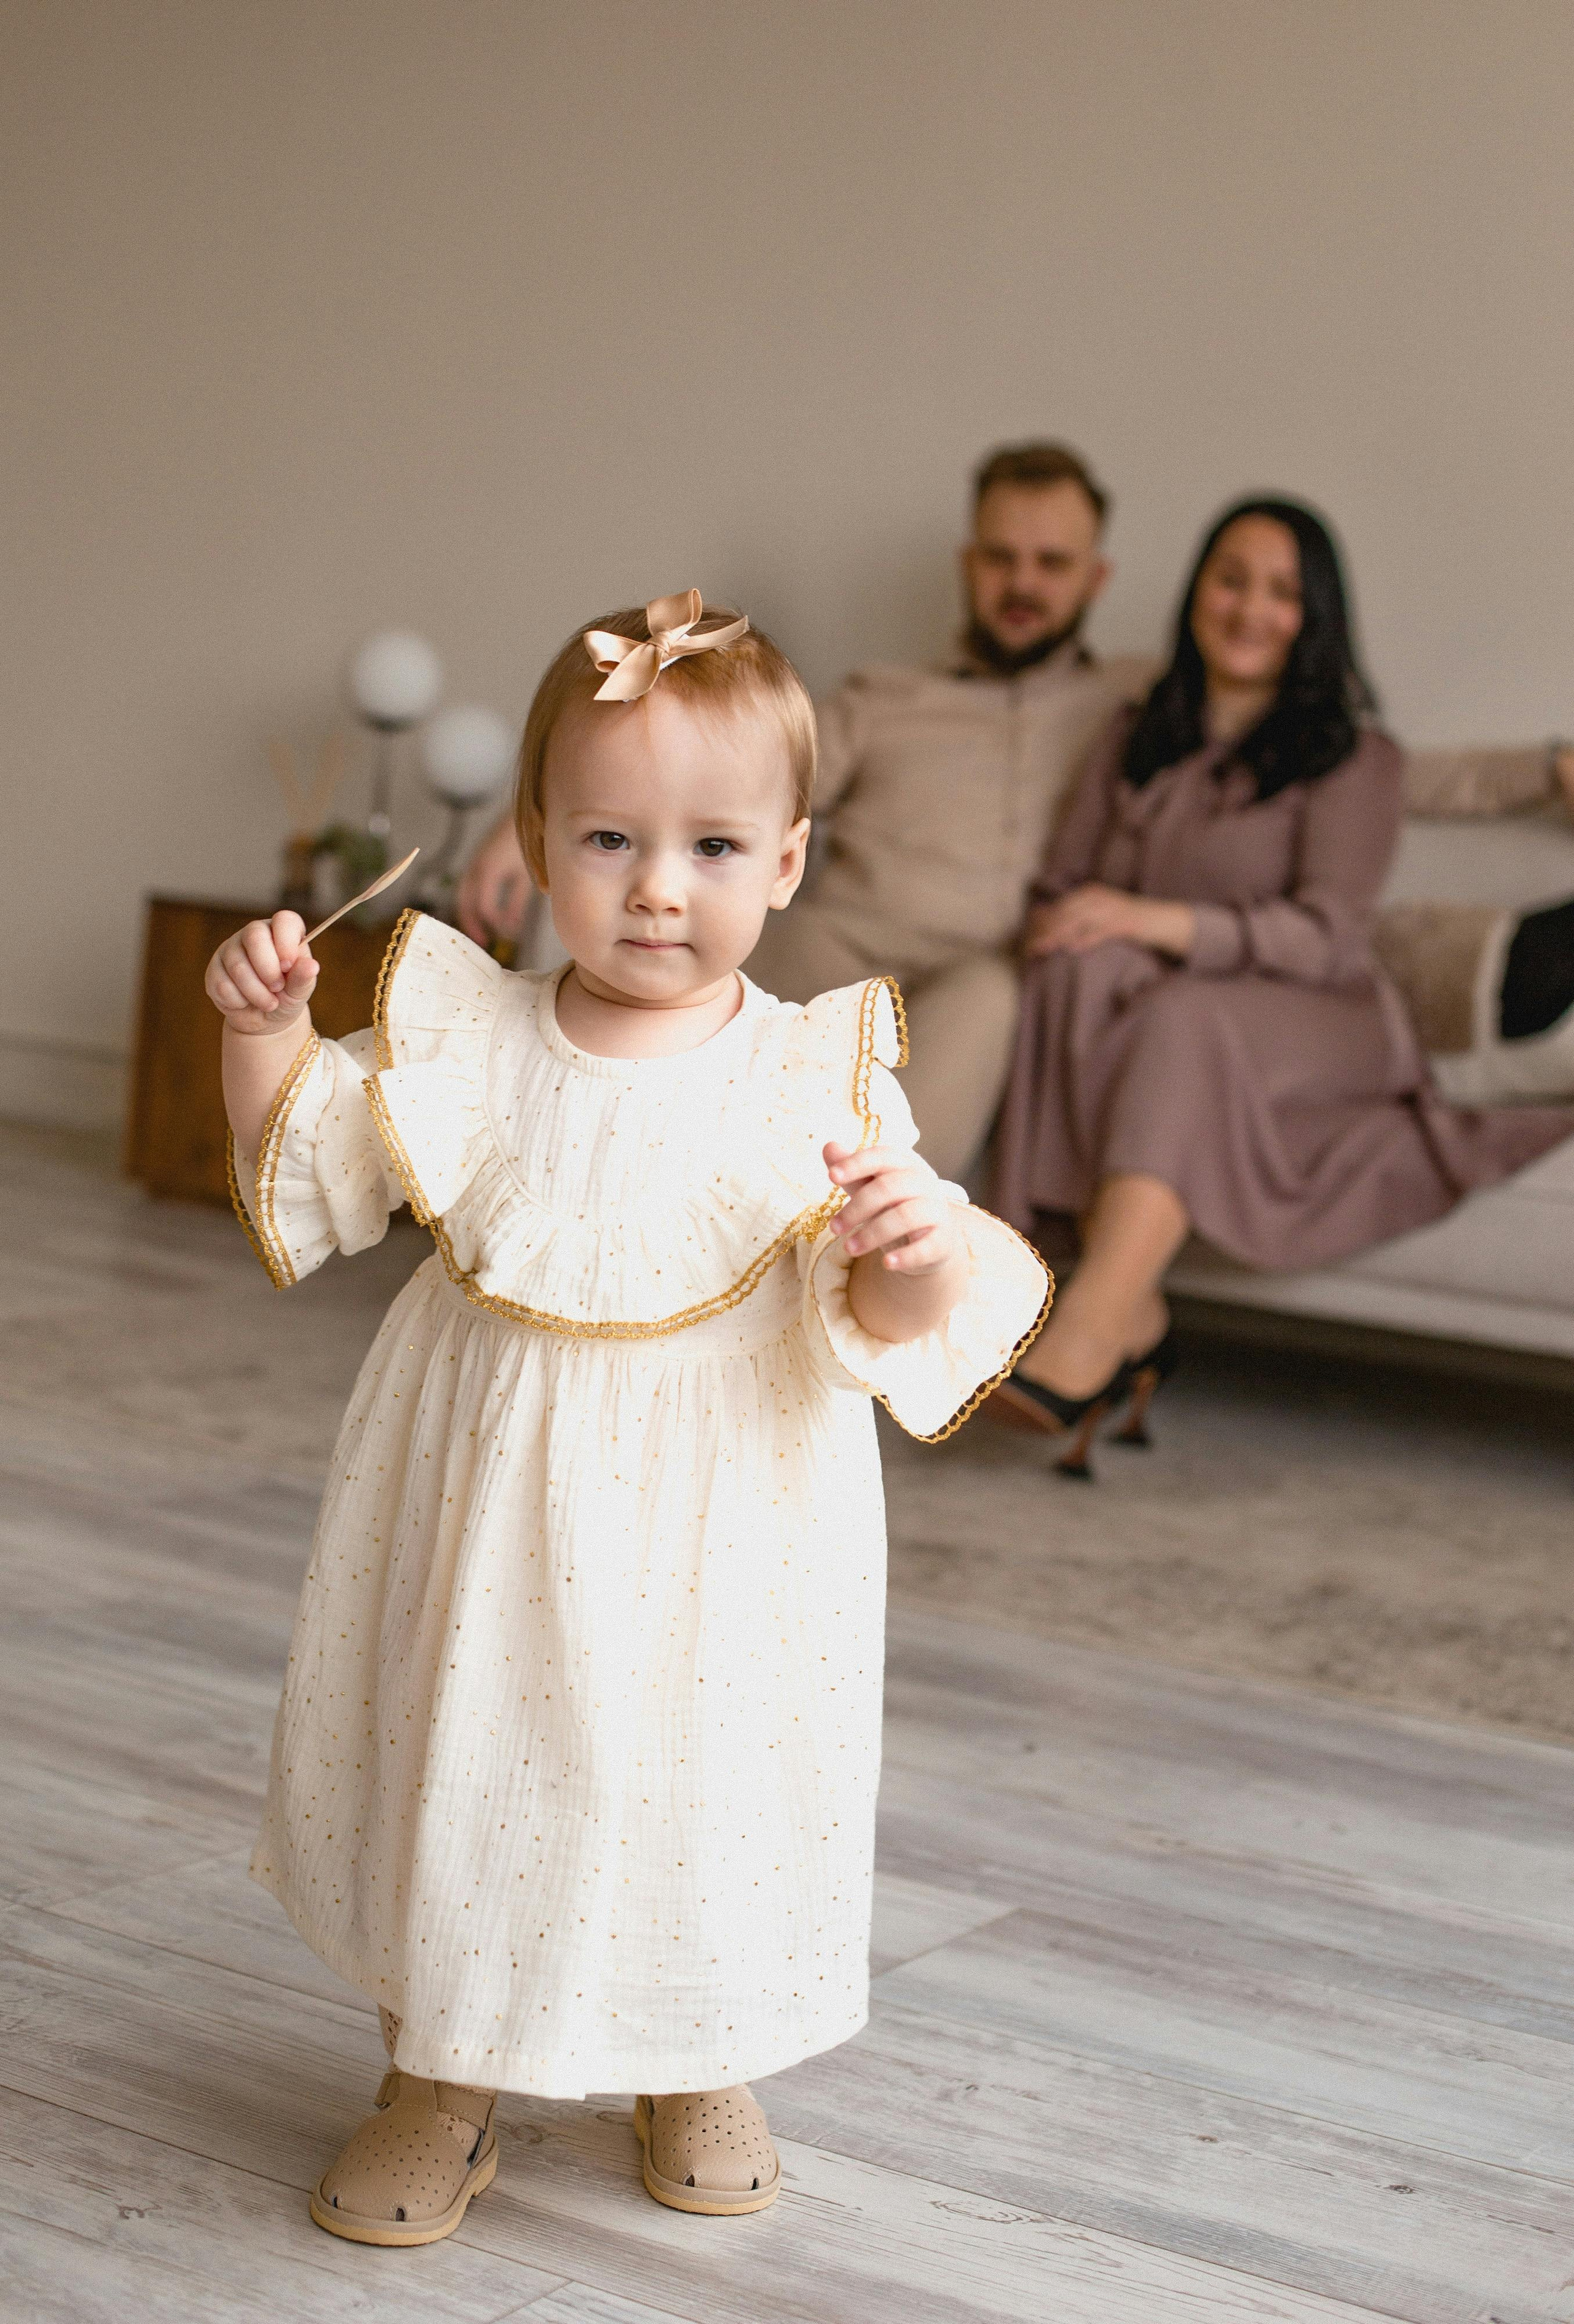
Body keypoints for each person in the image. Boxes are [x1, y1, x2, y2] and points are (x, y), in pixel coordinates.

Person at [204, 590, 1046, 2243]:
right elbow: (306, 1169)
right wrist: (261, 1031)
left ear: (789, 859)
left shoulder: (817, 1076)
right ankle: (443, 2068)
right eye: (610, 835)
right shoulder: (471, 1037)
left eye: (715, 846)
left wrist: (913, 1255)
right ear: (534, 838)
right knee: (479, 1754)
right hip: (486, 1518)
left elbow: (888, 1328)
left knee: (703, 1774)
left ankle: (697, 2040)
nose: (660, 884)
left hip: (728, 1543)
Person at [456, 444, 1573, 1186]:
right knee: (753, 954)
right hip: (842, 943)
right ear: (969, 563)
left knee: (998, 992)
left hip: (987, 977)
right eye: (1002, 557)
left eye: (1052, 562)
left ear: (1096, 578)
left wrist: (1546, 769)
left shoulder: (1142, 699)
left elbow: (1376, 766)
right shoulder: (885, 699)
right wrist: (530, 821)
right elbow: (706, 774)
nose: (1023, 582)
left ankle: (854, 1251)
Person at [986, 501, 1570, 1476]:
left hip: (1322, 1018)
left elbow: (1327, 938)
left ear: (1318, 616)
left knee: (1177, 1014)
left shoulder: (1355, 757)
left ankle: (1092, 1319)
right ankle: (1132, 1311)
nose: (1250, 608)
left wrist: (1150, 922)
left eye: (1283, 591)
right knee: (1074, 971)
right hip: (1167, 1007)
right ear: (1196, 593)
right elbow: (1065, 891)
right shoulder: (1138, 732)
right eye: (1231, 580)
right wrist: (1096, 928)